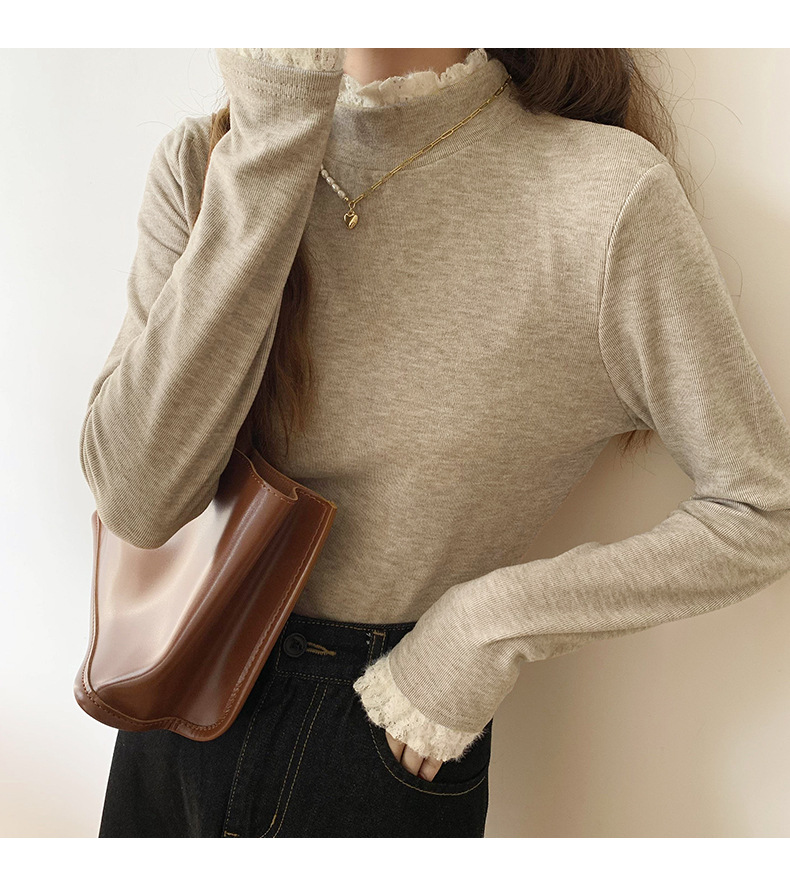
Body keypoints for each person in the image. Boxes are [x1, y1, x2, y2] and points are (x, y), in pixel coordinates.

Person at [81, 48, 790, 838]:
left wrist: (484, 627)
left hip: (386, 728)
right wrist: (273, 137)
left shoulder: (604, 195)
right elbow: (138, 503)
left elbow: (763, 507)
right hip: (173, 694)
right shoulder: (208, 159)